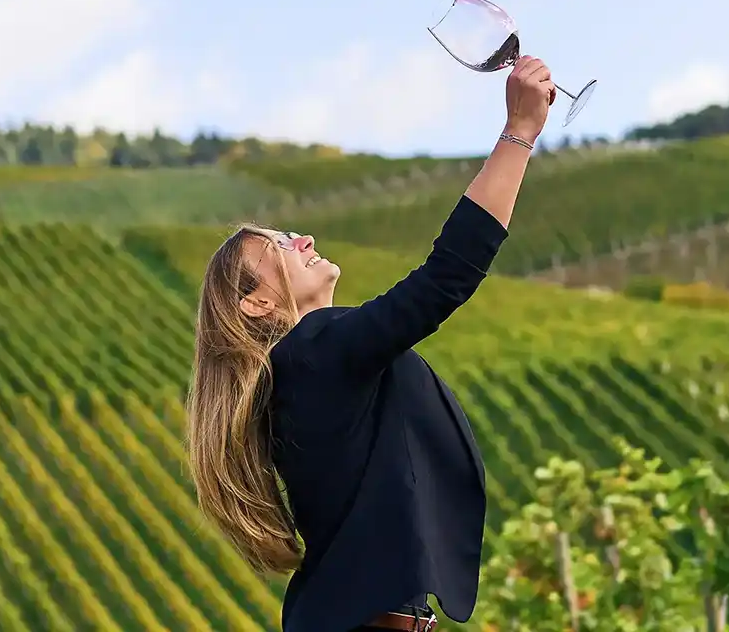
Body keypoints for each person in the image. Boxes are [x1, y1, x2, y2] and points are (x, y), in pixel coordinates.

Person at [186, 56, 557, 632]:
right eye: (281, 247)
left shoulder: (302, 374)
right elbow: (444, 279)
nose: (303, 238)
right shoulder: (314, 351)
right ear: (256, 304)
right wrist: (519, 133)